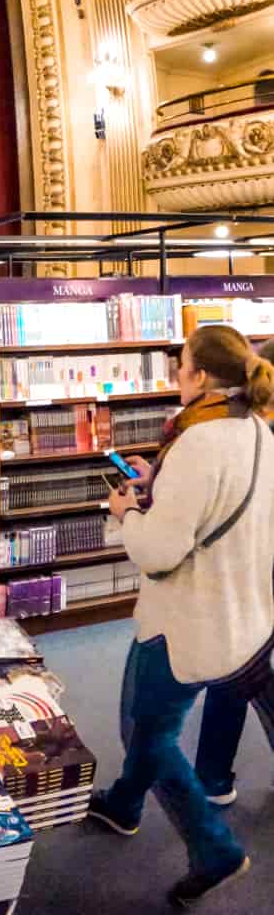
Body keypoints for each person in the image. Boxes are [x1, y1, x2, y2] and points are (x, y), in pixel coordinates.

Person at [87, 324, 274, 907]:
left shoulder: (196, 441)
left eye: (181, 365)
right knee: (155, 721)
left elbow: (159, 551)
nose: (175, 375)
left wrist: (126, 512)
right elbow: (218, 509)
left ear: (199, 375)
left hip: (182, 622)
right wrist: (156, 486)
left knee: (146, 730)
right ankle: (123, 803)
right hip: (240, 618)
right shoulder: (257, 432)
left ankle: (213, 847)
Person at [191, 334, 274, 802]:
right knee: (248, 667)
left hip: (258, 567)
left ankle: (213, 777)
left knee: (239, 669)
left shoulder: (251, 435)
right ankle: (212, 776)